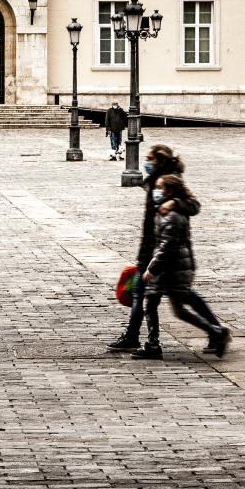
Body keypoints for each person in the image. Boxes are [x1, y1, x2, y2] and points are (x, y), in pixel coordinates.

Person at [130, 172, 231, 360]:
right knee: (169, 307)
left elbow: (166, 246)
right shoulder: (168, 210)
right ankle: (214, 331)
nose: (156, 191)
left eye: (160, 188)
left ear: (168, 191)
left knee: (161, 306)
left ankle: (155, 344)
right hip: (175, 267)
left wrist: (152, 269)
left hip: (170, 269)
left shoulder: (171, 215)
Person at [106, 143, 183, 352]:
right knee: (154, 298)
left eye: (149, 159)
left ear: (159, 161)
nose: (146, 163)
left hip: (158, 252)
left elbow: (190, 205)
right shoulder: (156, 183)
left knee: (172, 301)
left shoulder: (166, 184)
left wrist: (175, 202)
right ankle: (137, 338)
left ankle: (145, 341)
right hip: (153, 250)